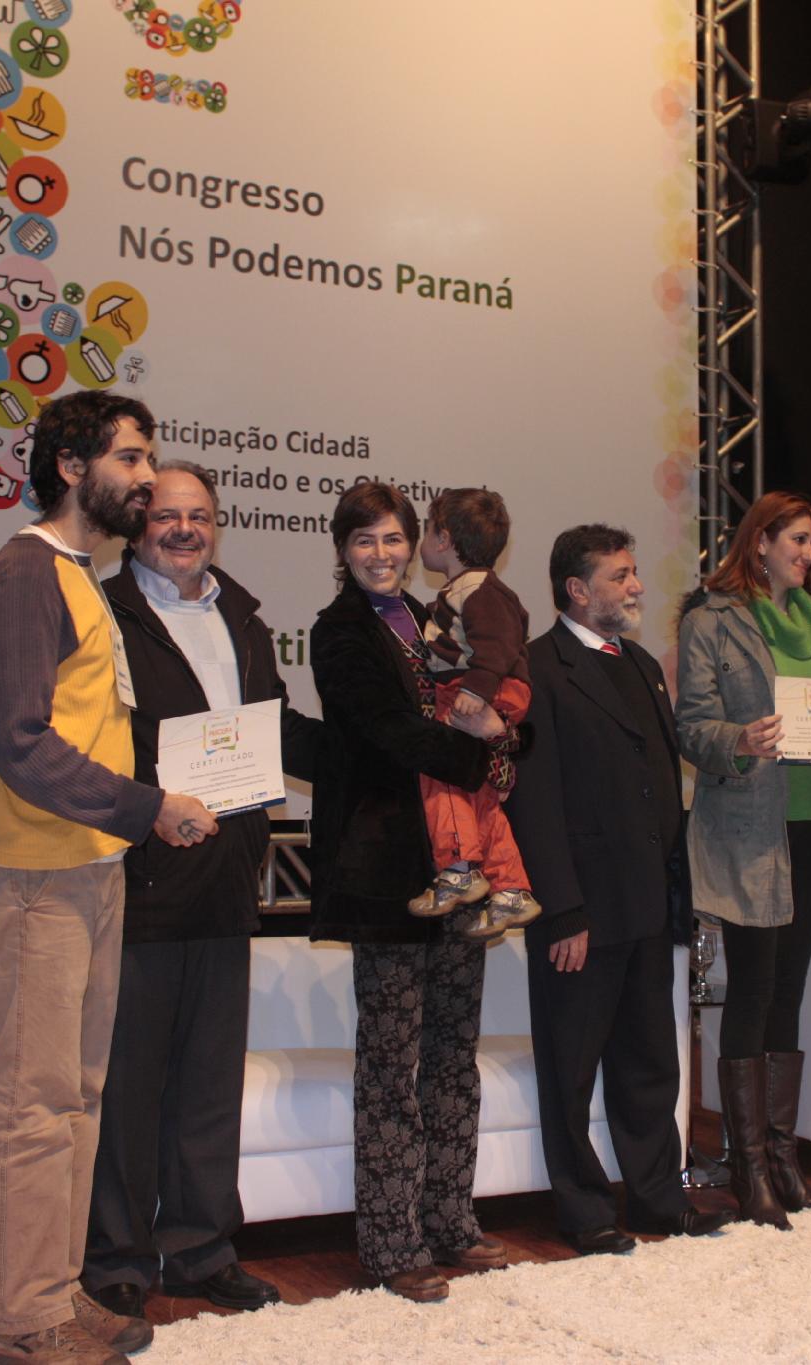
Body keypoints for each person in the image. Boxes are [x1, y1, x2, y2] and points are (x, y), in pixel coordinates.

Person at [0, 464, 328, 1322]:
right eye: (166, 515)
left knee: (209, 1079)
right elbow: (34, 721)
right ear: (137, 524)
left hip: (227, 875)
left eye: (200, 515)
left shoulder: (244, 618)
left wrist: (378, 755)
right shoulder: (101, 606)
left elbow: (273, 727)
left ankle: (202, 1247)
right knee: (122, 1082)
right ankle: (116, 1257)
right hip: (137, 869)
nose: (184, 529)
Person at [0, 391, 216, 1365]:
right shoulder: (30, 570)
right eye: (131, 458)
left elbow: (29, 724)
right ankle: (25, 1321)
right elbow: (22, 744)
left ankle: (58, 1291)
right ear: (72, 466)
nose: (147, 479)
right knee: (35, 1102)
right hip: (34, 872)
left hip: (87, 866)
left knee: (76, 1095)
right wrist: (149, 808)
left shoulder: (77, 574)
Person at [503, 525, 731, 1254]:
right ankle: (584, 1211)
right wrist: (563, 909)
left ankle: (660, 1199)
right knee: (570, 1070)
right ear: (577, 589)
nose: (636, 587)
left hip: (646, 906)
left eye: (634, 573)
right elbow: (534, 801)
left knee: (649, 1065)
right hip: (580, 913)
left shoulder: (639, 665)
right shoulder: (537, 667)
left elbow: (658, 784)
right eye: (621, 575)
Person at [306, 482, 508, 1303]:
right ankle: (393, 1242)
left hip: (458, 865)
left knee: (454, 1053)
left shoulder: (432, 620)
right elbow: (387, 733)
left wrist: (506, 735)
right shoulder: (338, 631)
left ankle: (451, 1219)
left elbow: (485, 701)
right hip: (385, 872)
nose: (382, 554)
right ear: (343, 550)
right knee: (393, 1063)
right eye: (365, 541)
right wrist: (479, 755)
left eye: (393, 539)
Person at [675, 491, 811, 1229]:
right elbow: (692, 725)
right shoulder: (711, 620)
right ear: (759, 542)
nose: (809, 554)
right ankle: (748, 1167)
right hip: (751, 829)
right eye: (797, 540)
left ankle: (783, 1161)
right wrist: (739, 739)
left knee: (789, 990)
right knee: (753, 991)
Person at [412, 487, 541, 940]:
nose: (421, 543)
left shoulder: (481, 590)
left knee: (442, 776)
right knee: (479, 797)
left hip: (476, 691)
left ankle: (459, 868)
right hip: (478, 691)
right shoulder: (465, 589)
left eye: (426, 531)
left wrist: (477, 689)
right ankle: (511, 889)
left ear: (444, 539)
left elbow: (499, 645)